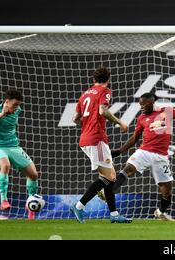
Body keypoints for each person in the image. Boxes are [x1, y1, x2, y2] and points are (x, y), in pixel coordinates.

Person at [109, 92, 175, 221]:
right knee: (128, 168)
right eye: (140, 105)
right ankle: (108, 192)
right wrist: (120, 151)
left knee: (167, 193)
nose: (141, 107)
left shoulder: (167, 111)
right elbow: (134, 138)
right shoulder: (141, 119)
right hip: (144, 151)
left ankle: (160, 212)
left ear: (151, 102)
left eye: (143, 104)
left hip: (161, 157)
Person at [69, 66, 131, 224]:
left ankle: (114, 214)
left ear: (93, 79)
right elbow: (103, 111)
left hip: (85, 138)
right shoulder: (105, 91)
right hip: (96, 138)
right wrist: (120, 122)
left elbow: (75, 119)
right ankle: (79, 206)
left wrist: (88, 123)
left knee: (110, 176)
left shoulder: (84, 95)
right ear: (108, 79)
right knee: (109, 177)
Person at [0, 89, 40, 220]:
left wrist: (13, 109)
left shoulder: (17, 110)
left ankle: (30, 206)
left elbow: (15, 110)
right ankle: (4, 201)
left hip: (14, 147)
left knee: (33, 175)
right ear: (6, 102)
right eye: (14, 104)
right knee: (5, 165)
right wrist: (2, 113)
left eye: (18, 105)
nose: (16, 108)